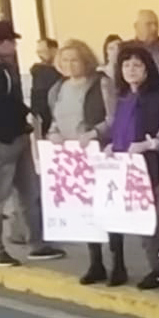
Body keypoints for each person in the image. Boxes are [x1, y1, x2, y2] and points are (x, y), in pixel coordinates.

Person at [0, 21, 64, 267]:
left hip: (14, 135)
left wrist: (22, 120)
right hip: (0, 140)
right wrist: (6, 134)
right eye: (11, 41)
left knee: (29, 191)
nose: (14, 46)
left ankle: (36, 242)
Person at [105, 41, 159, 289]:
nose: (131, 70)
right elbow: (119, 131)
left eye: (137, 65)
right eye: (126, 65)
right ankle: (156, 267)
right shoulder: (124, 99)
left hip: (155, 165)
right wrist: (112, 146)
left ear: (148, 69)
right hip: (129, 169)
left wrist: (150, 144)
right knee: (142, 220)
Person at [43, 40, 113, 285]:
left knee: (107, 208)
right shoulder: (59, 88)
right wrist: (53, 134)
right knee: (85, 210)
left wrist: (95, 133)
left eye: (75, 60)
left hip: (97, 151)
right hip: (73, 158)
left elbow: (113, 117)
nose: (70, 65)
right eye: (65, 60)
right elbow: (55, 119)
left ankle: (118, 262)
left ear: (86, 61)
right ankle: (96, 262)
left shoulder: (101, 83)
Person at [28, 37, 62, 139]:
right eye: (38, 52)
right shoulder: (39, 71)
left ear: (54, 50)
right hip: (45, 118)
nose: (40, 55)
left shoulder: (63, 69)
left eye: (43, 51)